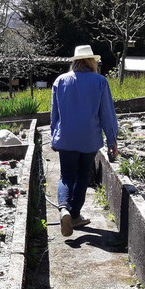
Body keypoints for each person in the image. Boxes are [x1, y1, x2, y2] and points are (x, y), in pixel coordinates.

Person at [51, 45, 119, 238]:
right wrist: (112, 139)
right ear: (92, 61)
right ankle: (75, 215)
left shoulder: (60, 81)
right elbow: (106, 113)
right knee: (82, 176)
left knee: (66, 176)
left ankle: (63, 208)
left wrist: (54, 135)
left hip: (66, 137)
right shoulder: (100, 81)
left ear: (74, 61)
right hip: (89, 138)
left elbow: (54, 113)